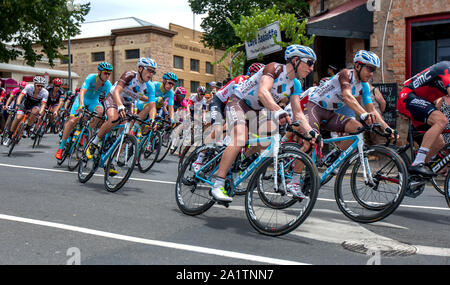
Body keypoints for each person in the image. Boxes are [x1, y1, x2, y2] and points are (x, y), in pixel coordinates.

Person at [209, 45, 318, 202]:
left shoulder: (296, 84)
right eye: (309, 62)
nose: (312, 68)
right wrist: (278, 110)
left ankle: (240, 162)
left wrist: (311, 132)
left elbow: (298, 113)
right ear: (295, 60)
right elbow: (263, 92)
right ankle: (217, 184)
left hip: (257, 111)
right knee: (240, 137)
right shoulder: (274, 68)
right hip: (239, 101)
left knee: (268, 139)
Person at [306, 50, 396, 153]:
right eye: (369, 69)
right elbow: (347, 97)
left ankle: (335, 155)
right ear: (357, 66)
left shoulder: (364, 86)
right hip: (314, 107)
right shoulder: (346, 74)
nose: (371, 74)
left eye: (373, 70)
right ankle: (296, 169)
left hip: (330, 113)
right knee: (310, 143)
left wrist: (387, 128)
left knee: (358, 129)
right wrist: (363, 114)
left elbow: (372, 110)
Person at [85, 57, 157, 161]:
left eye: (153, 72)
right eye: (149, 70)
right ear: (140, 68)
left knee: (125, 132)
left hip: (127, 104)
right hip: (113, 98)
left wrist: (152, 120)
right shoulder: (130, 75)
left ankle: (111, 160)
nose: (151, 74)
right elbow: (116, 91)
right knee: (113, 118)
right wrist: (119, 106)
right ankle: (94, 143)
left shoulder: (150, 86)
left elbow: (152, 105)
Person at [397, 61, 450, 176]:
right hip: (408, 96)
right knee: (442, 120)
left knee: (439, 142)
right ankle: (418, 163)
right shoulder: (446, 68)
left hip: (422, 103)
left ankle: (411, 174)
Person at [55, 62, 113, 160]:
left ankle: (86, 131)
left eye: (109, 73)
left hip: (93, 102)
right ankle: (61, 148)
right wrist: (81, 105)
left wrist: (108, 114)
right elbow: (82, 92)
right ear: (99, 72)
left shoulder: (108, 85)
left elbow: (107, 100)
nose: (107, 75)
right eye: (105, 73)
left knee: (100, 111)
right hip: (81, 100)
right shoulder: (91, 78)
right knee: (72, 121)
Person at [3, 76, 48, 146]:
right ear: (34, 84)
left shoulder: (45, 92)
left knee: (35, 112)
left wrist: (40, 113)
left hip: (36, 104)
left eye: (42, 86)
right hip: (26, 102)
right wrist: (18, 105)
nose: (40, 88)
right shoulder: (29, 87)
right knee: (18, 118)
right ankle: (9, 136)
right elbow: (20, 96)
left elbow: (43, 104)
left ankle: (28, 128)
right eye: (38, 85)